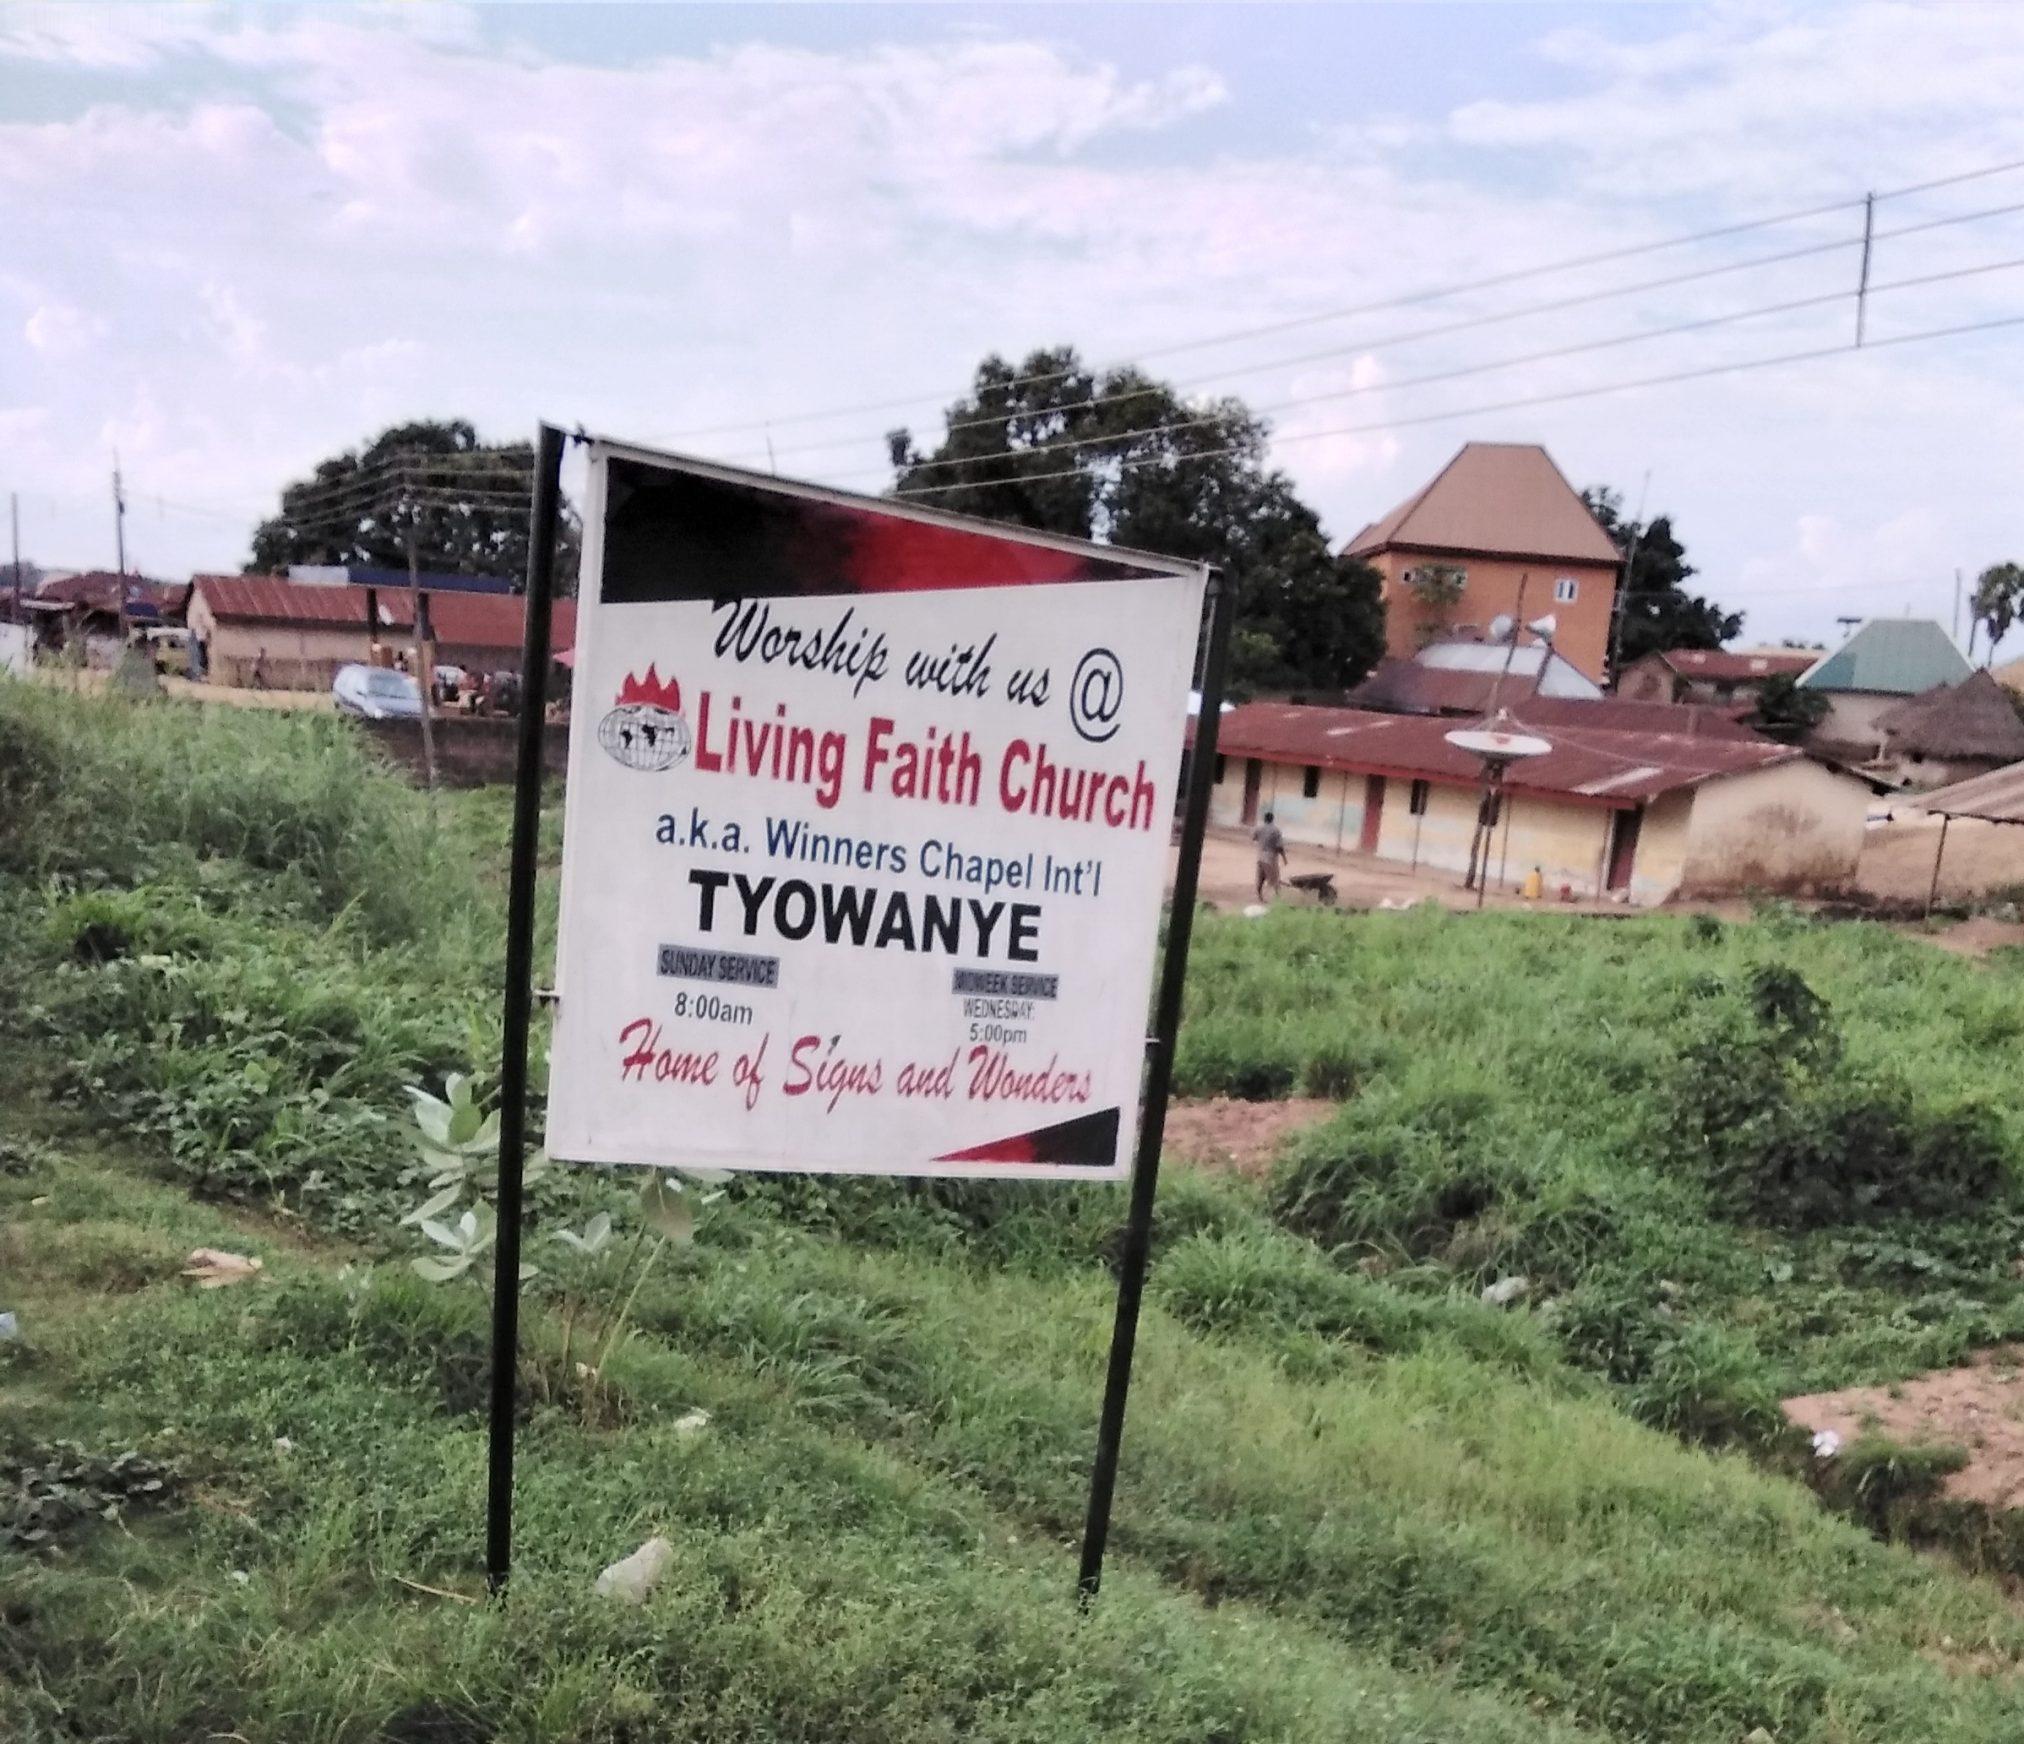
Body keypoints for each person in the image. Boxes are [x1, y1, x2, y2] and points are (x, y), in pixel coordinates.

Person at [1252, 809, 1287, 902]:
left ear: (1264, 819)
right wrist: (1284, 858)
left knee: (1260, 878)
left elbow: (1253, 837)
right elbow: (1279, 847)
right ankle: (1279, 900)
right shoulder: (1276, 830)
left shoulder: (1259, 828)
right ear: (1272, 819)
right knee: (1275, 879)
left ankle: (1260, 897)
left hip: (1260, 857)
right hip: (1270, 858)